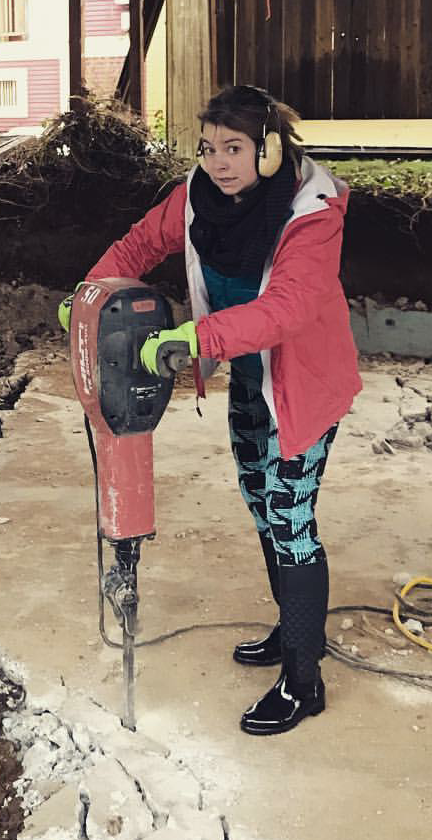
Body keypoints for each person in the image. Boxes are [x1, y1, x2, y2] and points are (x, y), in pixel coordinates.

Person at [60, 84, 362, 735]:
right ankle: (293, 632)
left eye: (235, 148)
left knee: (291, 519)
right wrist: (89, 293)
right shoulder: (198, 197)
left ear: (271, 150)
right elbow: (138, 245)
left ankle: (304, 682)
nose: (219, 161)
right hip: (252, 382)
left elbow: (287, 309)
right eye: (209, 147)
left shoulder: (310, 214)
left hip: (301, 386)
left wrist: (198, 338)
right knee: (261, 504)